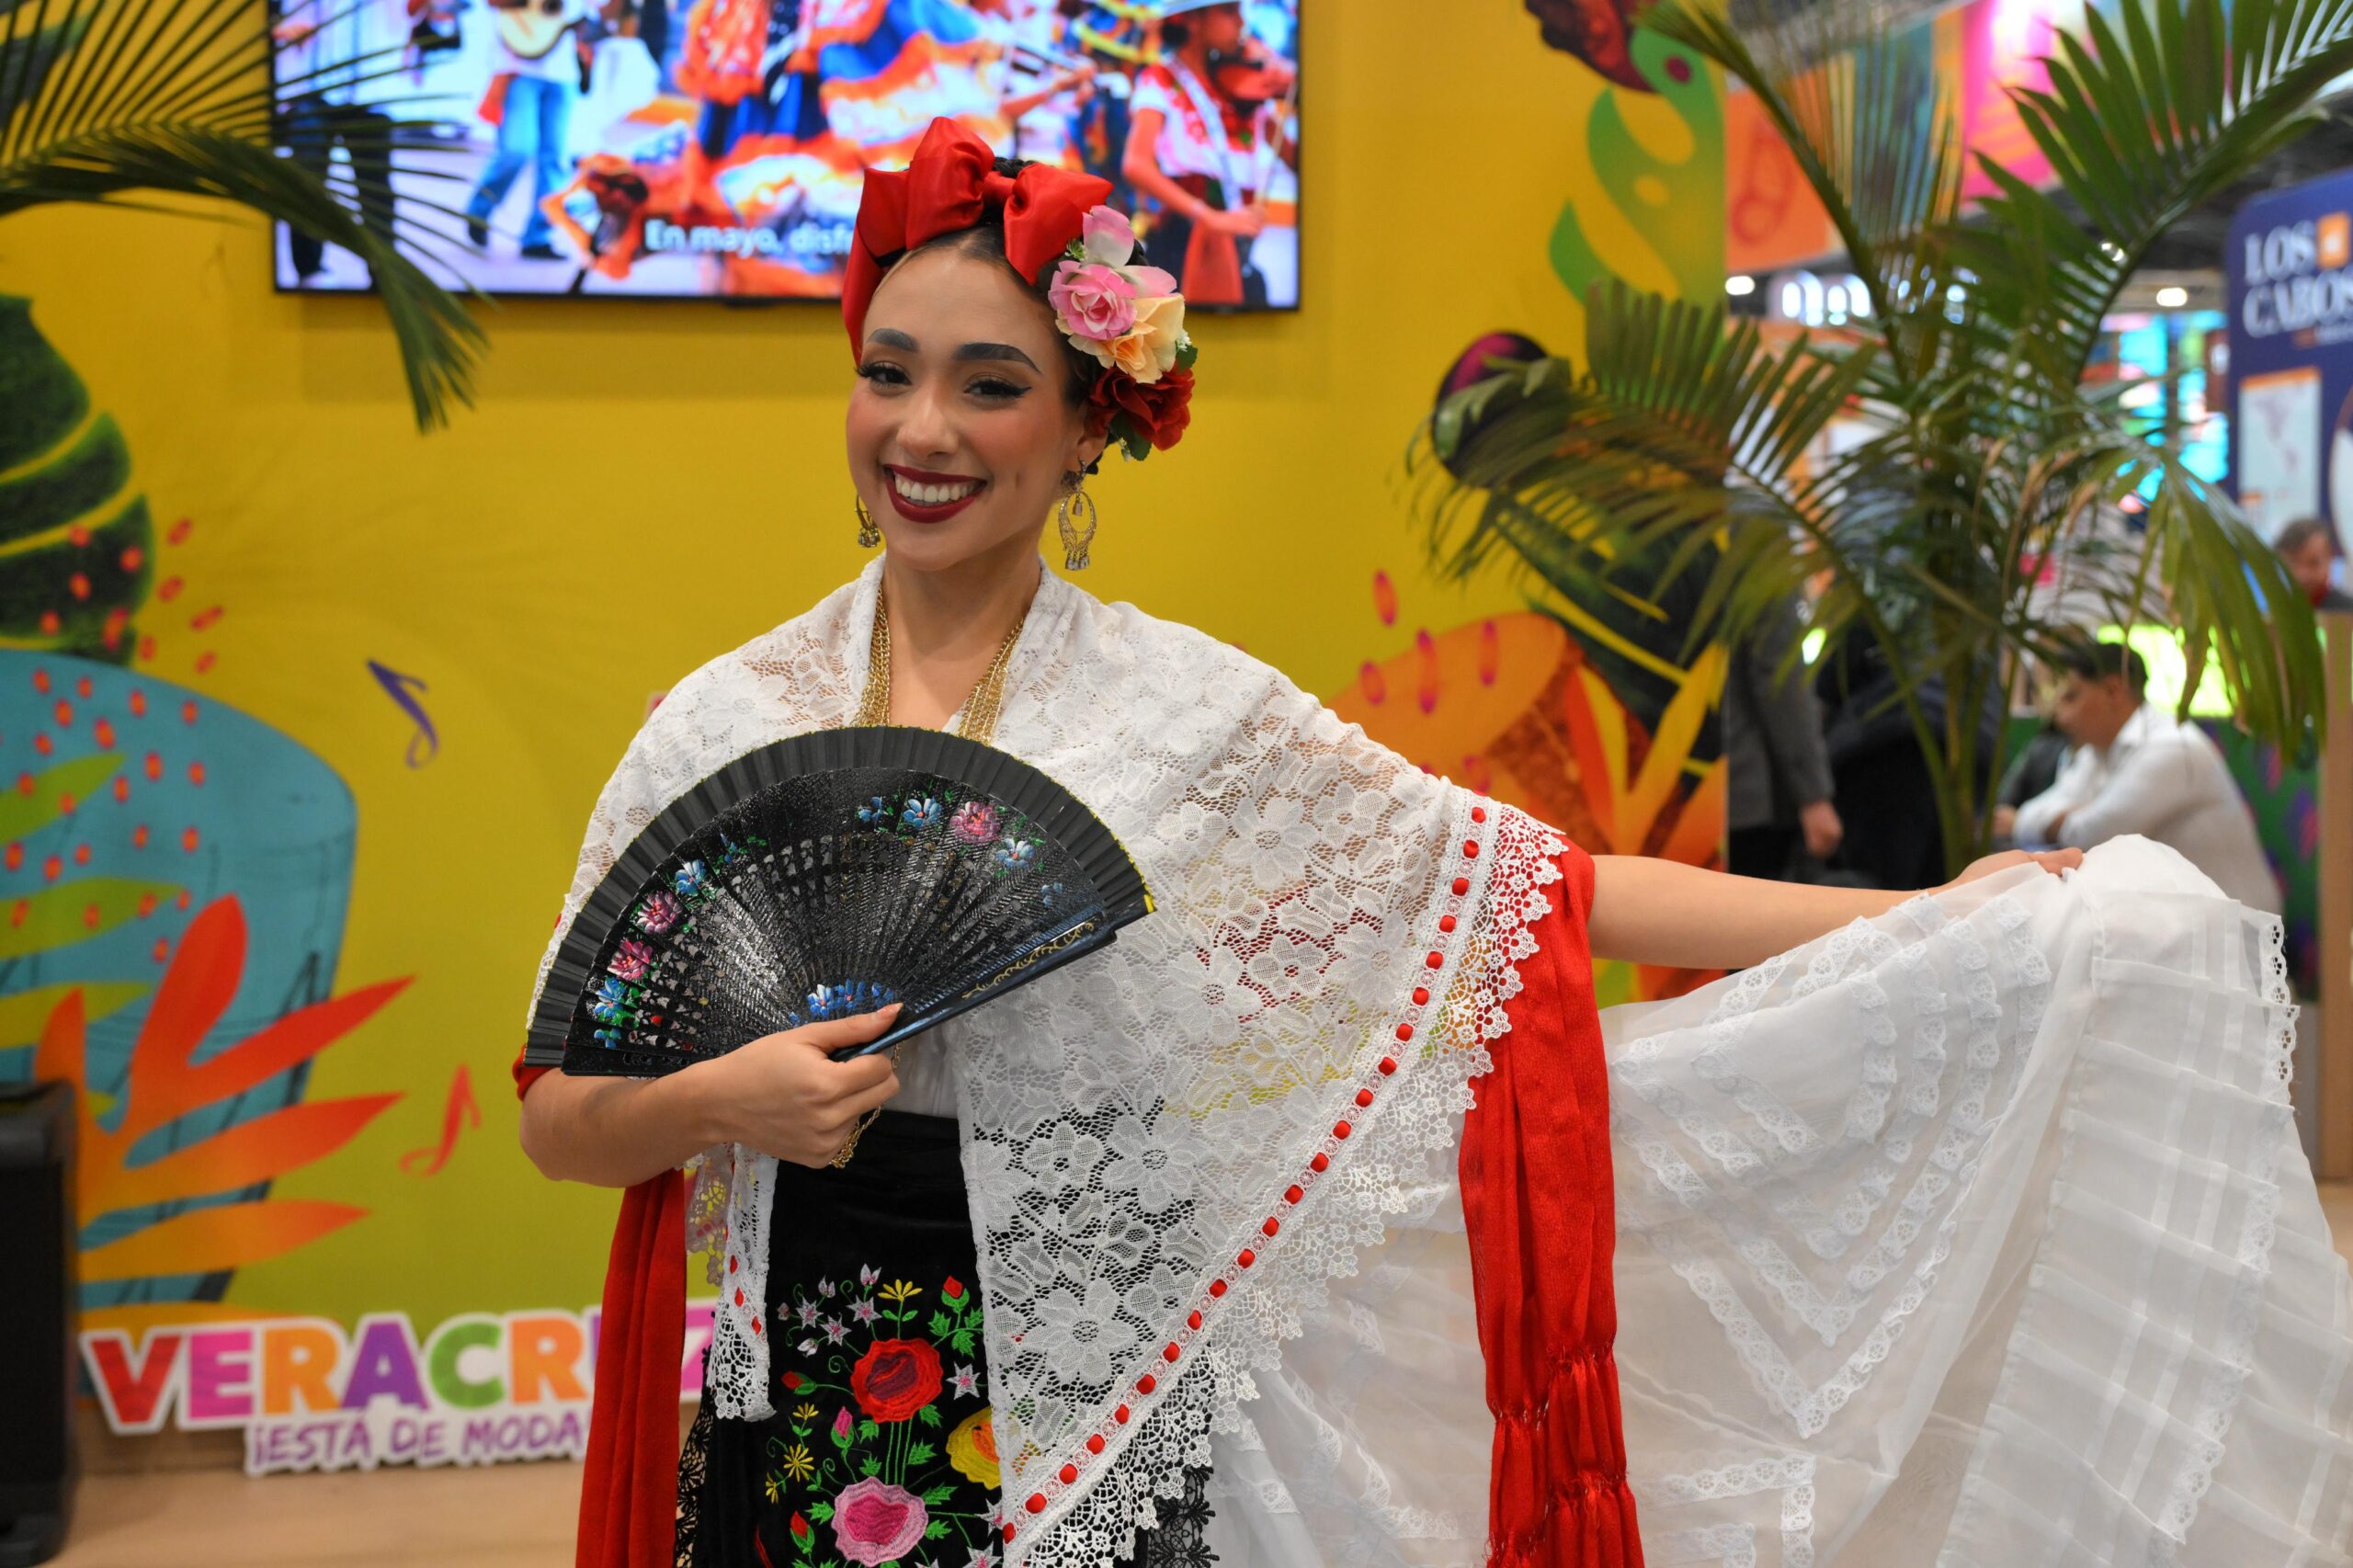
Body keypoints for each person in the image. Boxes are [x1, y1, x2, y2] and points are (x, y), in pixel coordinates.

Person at [516, 120, 2353, 1568]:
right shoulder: (726, 721)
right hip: (813, 1383)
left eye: (990, 384)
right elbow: (561, 1114)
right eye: (888, 371)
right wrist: (723, 1099)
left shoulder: (1184, 719)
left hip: (1115, 1383)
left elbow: (1538, 889)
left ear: (1087, 429)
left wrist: (1908, 910)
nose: (924, 430)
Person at [2011, 642, 2280, 913]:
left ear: (2113, 691)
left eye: (2071, 697)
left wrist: (2073, 815)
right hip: (2170, 917)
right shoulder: (2097, 750)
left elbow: (2088, 836)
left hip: (2234, 922)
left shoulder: (2175, 747)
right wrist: (2076, 813)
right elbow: (2030, 816)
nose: (2060, 715)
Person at [1120, 0, 1291, 306]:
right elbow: (1136, 164)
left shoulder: (1242, 85)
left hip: (1237, 252)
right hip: (1181, 247)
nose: (1241, 23)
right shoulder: (1160, 78)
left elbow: (1295, 157)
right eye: (1229, 11)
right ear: (1192, 20)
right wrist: (1210, 217)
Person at [1722, 597, 1841, 880]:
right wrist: (1814, 796)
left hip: (1668, 793)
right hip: (1749, 796)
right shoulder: (1761, 577)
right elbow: (1780, 679)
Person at [465, 0, 592, 260]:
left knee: (555, 158)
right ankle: (479, 210)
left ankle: (538, 236)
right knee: (516, 150)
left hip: (562, 74)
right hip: (518, 67)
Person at [2277, 514, 2353, 612]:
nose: (2303, 574)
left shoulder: (2348, 612)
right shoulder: (2274, 611)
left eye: (2313, 563)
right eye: (2294, 562)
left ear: (2330, 558)